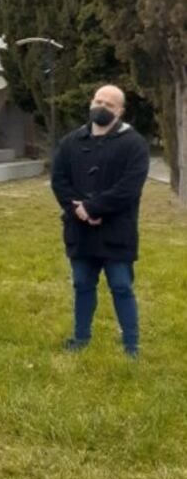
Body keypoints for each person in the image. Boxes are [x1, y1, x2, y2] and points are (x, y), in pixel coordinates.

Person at [51, 84, 149, 358]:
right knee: (82, 284)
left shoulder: (134, 145)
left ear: (120, 111)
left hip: (117, 230)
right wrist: (78, 211)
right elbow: (59, 181)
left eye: (109, 104)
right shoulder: (71, 142)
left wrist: (94, 208)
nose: (101, 107)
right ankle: (80, 338)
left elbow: (129, 188)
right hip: (80, 231)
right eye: (98, 101)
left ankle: (131, 346)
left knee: (121, 286)